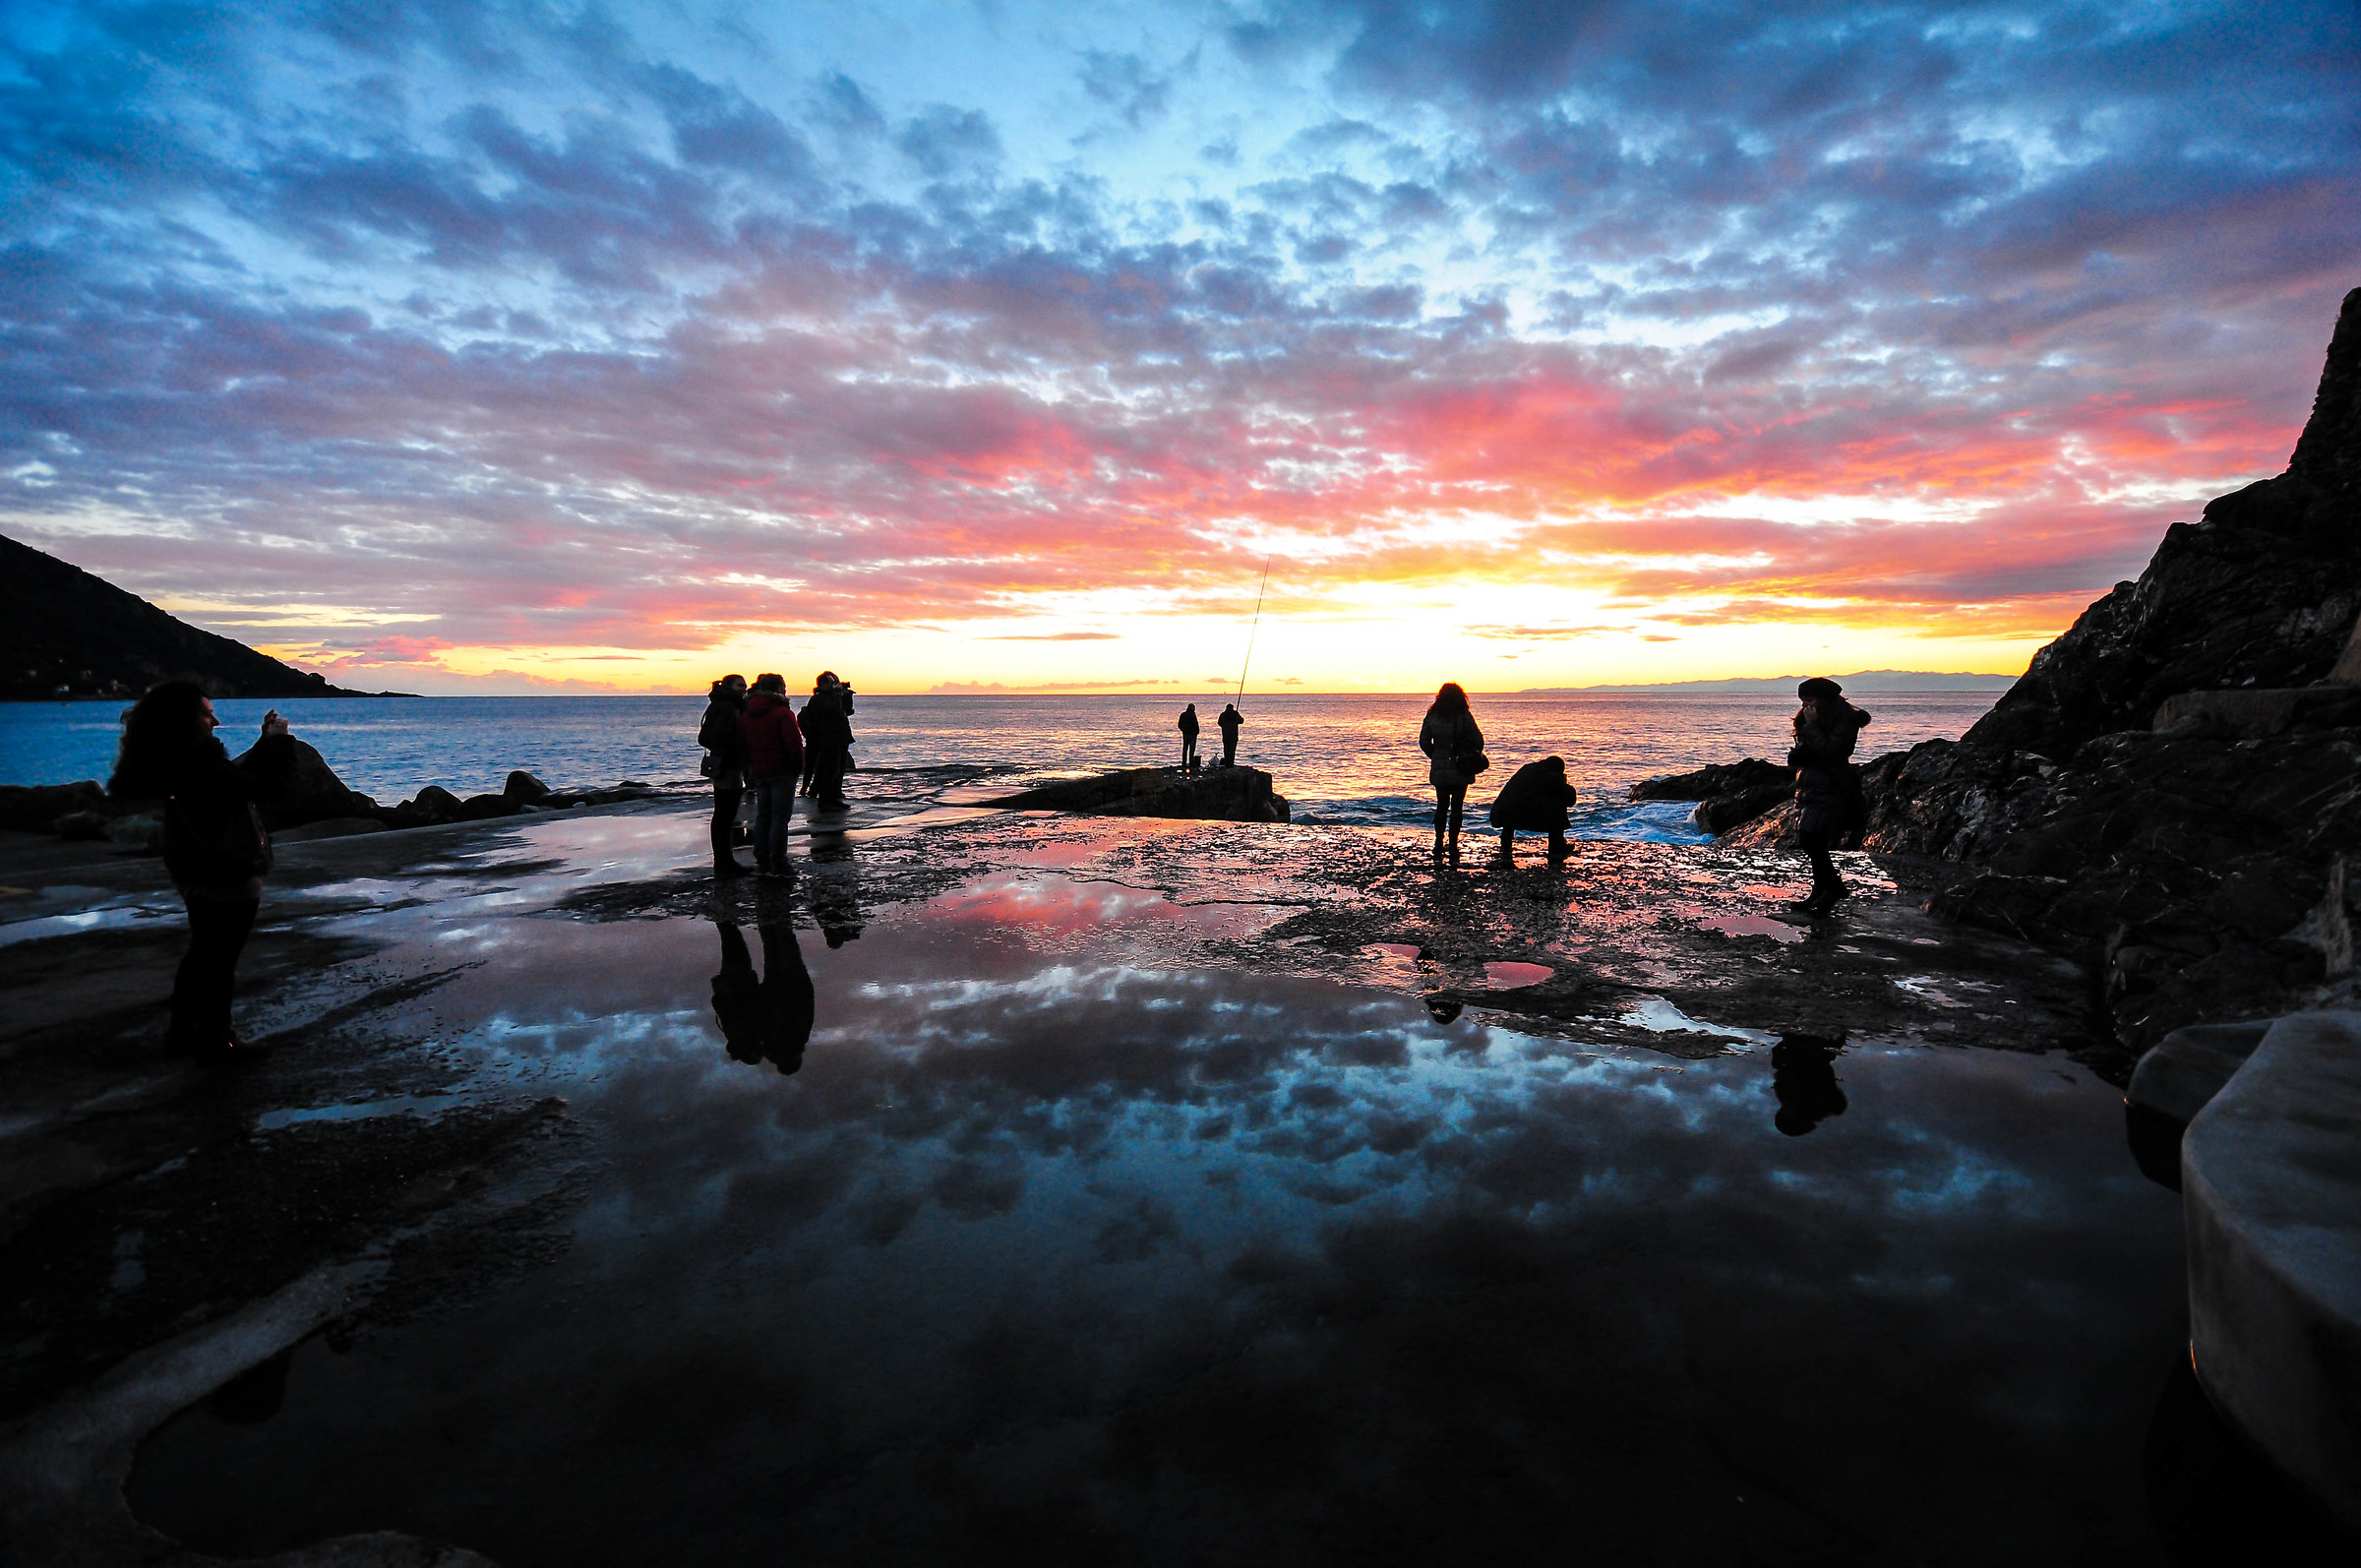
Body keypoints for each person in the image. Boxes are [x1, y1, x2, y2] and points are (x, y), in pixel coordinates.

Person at [106, 682, 299, 1062]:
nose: (215, 720)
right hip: (222, 868)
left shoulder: (174, 759)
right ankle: (215, 1039)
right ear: (182, 720)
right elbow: (273, 789)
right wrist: (279, 744)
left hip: (193, 867)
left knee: (203, 951)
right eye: (206, 712)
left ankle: (183, 1032)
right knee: (218, 957)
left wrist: (262, 744)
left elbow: (235, 782)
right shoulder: (197, 764)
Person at [1789, 677, 1872, 912]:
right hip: (1812, 786)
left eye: (1810, 699)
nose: (1806, 705)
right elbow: (1810, 750)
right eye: (1803, 700)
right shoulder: (1812, 719)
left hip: (1832, 786)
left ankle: (1832, 889)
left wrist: (1812, 726)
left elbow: (1834, 752)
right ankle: (1821, 890)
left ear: (1826, 699)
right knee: (1811, 840)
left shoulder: (1846, 720)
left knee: (1814, 840)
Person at [710, 914, 816, 1075]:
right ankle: (765, 911)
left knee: (779, 940)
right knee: (770, 943)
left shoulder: (794, 1039)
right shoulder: (766, 1040)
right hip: (773, 986)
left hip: (787, 983)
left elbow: (804, 1004)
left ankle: (770, 909)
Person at [739, 673, 804, 876]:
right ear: (777, 689)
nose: (785, 690)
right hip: (782, 770)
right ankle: (778, 860)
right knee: (780, 817)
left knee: (764, 815)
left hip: (760, 770)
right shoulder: (782, 714)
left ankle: (762, 856)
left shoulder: (747, 714)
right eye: (783, 687)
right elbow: (793, 745)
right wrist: (797, 767)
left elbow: (744, 743)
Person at [1417, 682, 1485, 862]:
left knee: (1441, 806)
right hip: (1461, 767)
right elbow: (1479, 740)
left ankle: (1438, 843)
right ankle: (1453, 845)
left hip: (1439, 768)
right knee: (1457, 808)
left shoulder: (1432, 716)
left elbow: (1424, 742)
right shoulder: (1463, 716)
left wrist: (1436, 756)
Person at [698, 674, 750, 879]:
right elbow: (717, 737)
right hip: (729, 766)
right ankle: (724, 862)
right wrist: (735, 751)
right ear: (729, 687)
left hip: (727, 765)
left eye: (745, 686)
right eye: (740, 686)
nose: (744, 689)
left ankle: (724, 860)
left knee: (724, 816)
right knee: (724, 816)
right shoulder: (728, 707)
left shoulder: (722, 704)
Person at [1487, 754, 1578, 865]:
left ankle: (1506, 845)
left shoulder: (1529, 768)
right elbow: (1569, 798)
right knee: (1557, 804)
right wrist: (1563, 782)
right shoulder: (1550, 776)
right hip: (1519, 813)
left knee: (1513, 810)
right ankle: (1557, 845)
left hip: (1502, 812)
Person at [1771, 1033, 1848, 1135]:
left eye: (1783, 1111)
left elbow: (1781, 1071)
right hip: (1818, 1052)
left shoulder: (1785, 1095)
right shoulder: (1821, 1104)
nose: (1786, 1108)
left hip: (1801, 1051)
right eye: (1788, 1113)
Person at [800, 672, 854, 812]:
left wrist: (846, 695)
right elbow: (834, 710)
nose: (834, 685)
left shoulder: (830, 697)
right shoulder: (819, 699)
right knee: (828, 770)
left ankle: (833, 797)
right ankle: (825, 800)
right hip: (828, 738)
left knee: (836, 770)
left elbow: (846, 711)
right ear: (823, 684)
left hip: (838, 738)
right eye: (832, 683)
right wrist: (837, 694)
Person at [1216, 701, 1243, 767]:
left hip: (1225, 735)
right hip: (1233, 736)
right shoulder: (1235, 714)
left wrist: (1224, 726)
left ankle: (1227, 763)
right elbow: (1241, 721)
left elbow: (1219, 723)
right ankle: (1231, 763)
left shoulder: (1222, 715)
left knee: (1226, 750)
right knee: (1232, 750)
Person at [1178, 702, 1200, 773]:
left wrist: (1183, 730)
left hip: (1186, 734)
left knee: (1185, 749)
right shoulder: (1192, 715)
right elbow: (1195, 724)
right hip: (1192, 734)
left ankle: (1184, 763)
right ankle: (1191, 762)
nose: (1194, 709)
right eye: (1194, 708)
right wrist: (1196, 732)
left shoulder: (1183, 715)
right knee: (1191, 749)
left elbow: (1179, 724)